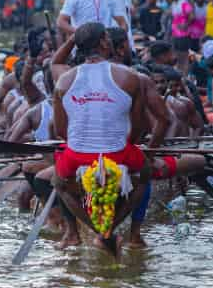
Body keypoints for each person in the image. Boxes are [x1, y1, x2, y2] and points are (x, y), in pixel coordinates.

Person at [51, 22, 150, 248]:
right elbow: (140, 127)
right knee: (146, 172)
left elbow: (60, 132)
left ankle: (91, 230)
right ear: (105, 42)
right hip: (118, 152)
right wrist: (125, 145)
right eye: (107, 37)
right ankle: (119, 230)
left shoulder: (63, 81)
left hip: (77, 154)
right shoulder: (130, 76)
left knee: (58, 181)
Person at [167, 0, 193, 73]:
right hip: (175, 34)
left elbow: (191, 16)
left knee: (184, 56)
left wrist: (185, 25)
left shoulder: (184, 3)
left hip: (183, 35)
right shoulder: (174, 4)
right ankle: (180, 73)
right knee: (177, 56)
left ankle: (184, 74)